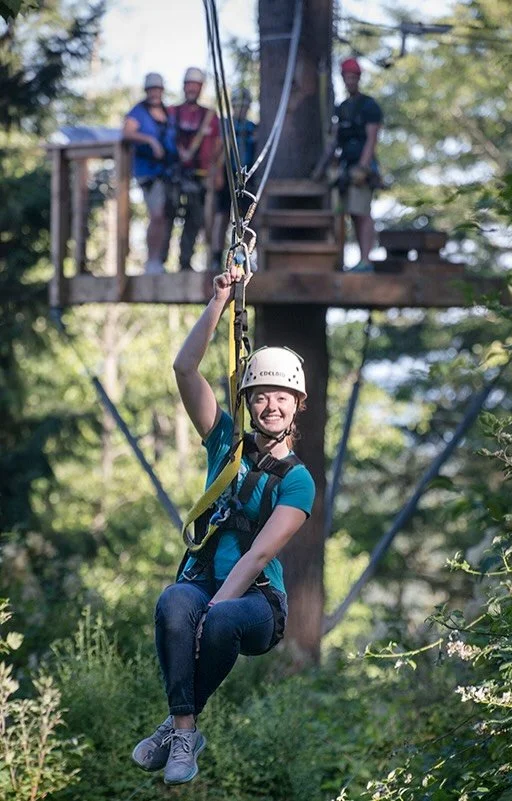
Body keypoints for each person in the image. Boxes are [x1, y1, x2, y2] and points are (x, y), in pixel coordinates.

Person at [131, 267, 315, 786]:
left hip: (256, 604)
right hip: (201, 580)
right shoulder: (226, 444)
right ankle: (185, 729)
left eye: (282, 397)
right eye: (260, 396)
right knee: (172, 602)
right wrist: (219, 301)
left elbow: (259, 555)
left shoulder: (298, 481)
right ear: (248, 403)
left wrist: (213, 610)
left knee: (216, 620)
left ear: (297, 404)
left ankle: (175, 726)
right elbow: (185, 369)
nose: (271, 405)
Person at [313, 57, 383, 272]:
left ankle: (366, 260)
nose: (350, 81)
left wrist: (363, 167)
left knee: (362, 212)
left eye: (354, 77)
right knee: (348, 214)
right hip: (345, 167)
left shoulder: (369, 105)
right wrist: (323, 167)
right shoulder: (342, 108)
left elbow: (372, 138)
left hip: (361, 167)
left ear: (359, 79)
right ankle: (346, 260)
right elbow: (335, 140)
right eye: (347, 77)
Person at [163, 67, 222, 271]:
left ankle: (185, 261)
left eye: (195, 86)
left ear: (201, 88)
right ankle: (160, 260)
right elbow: (166, 137)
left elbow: (217, 145)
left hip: (200, 176)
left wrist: (216, 172)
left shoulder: (209, 116)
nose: (191, 89)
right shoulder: (172, 112)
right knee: (168, 215)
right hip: (175, 174)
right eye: (188, 85)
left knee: (195, 218)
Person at [123, 72, 178, 275]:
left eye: (158, 89)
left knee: (166, 215)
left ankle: (160, 260)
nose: (155, 93)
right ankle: (152, 260)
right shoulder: (138, 112)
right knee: (156, 214)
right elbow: (127, 133)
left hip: (168, 172)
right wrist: (150, 141)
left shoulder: (167, 113)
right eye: (151, 89)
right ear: (146, 91)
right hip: (149, 173)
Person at [210, 86, 258, 273]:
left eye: (244, 105)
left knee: (246, 219)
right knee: (221, 215)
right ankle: (216, 256)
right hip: (227, 175)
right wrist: (218, 174)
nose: (241, 109)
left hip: (246, 179)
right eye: (237, 105)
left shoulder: (252, 128)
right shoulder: (225, 126)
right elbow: (217, 152)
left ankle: (245, 256)